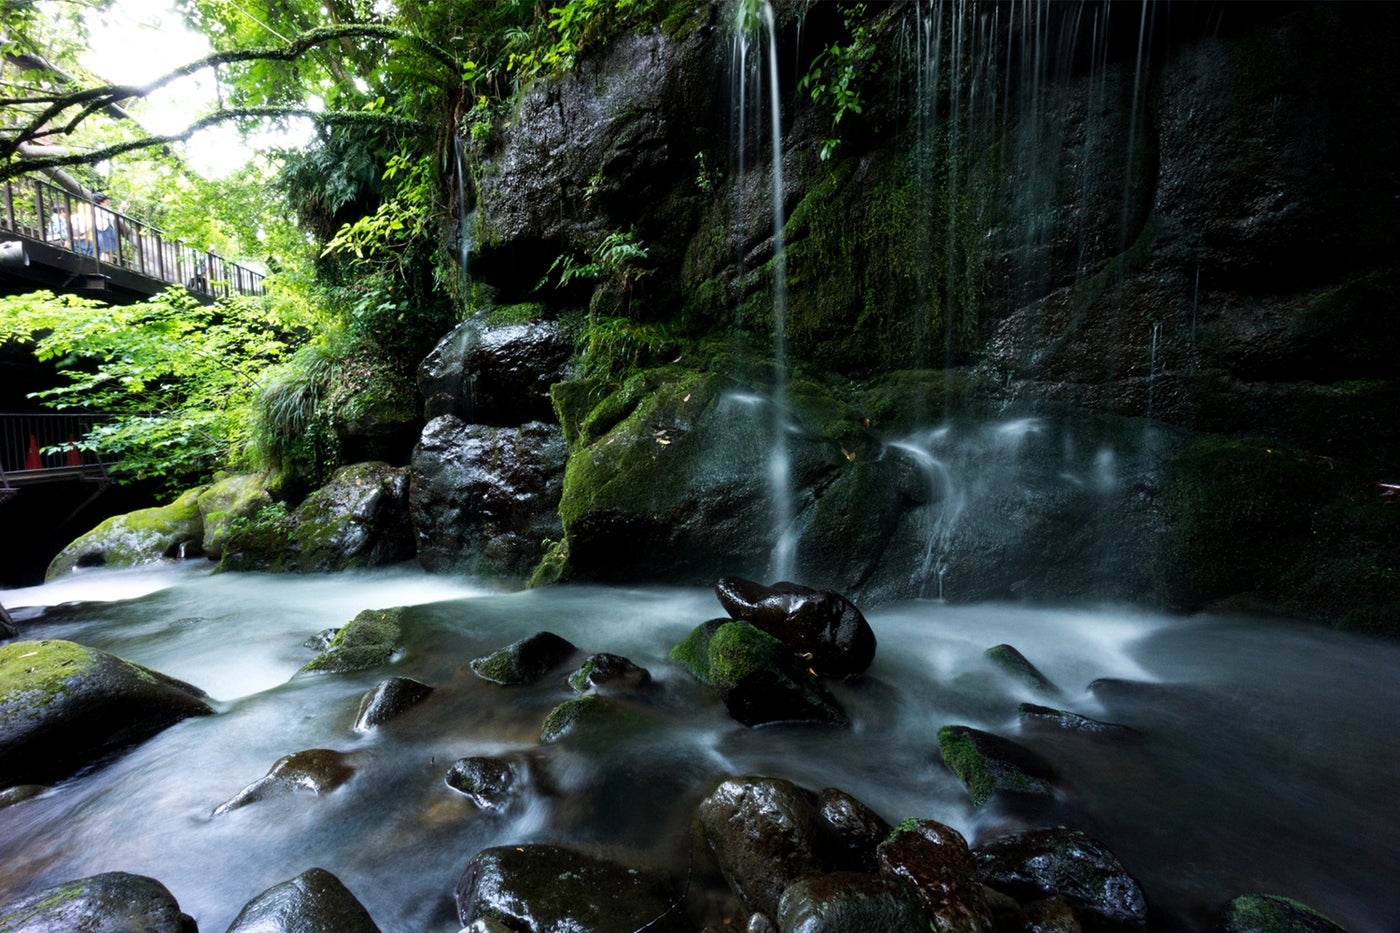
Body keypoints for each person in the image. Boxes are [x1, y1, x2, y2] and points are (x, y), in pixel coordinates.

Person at [93, 193, 117, 262]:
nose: (108, 202)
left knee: (108, 251)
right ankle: (104, 266)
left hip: (105, 231)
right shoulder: (100, 209)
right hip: (105, 231)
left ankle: (107, 265)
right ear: (102, 202)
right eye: (107, 200)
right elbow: (112, 217)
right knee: (105, 251)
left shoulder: (98, 209)